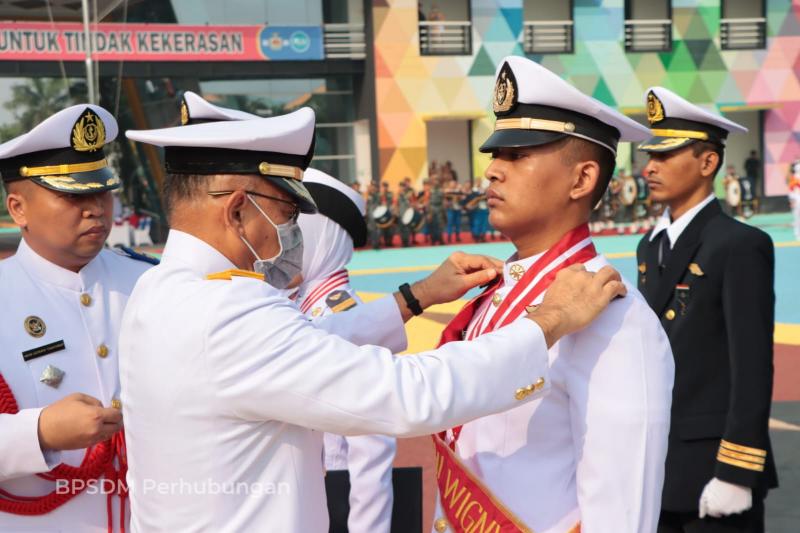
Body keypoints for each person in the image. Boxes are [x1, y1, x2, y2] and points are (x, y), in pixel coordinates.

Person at [121, 105, 627, 532]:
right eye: (286, 212)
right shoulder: (230, 311)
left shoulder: (156, 290)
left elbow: (310, 346)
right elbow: (405, 395)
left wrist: (415, 297)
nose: (291, 232)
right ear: (237, 211)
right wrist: (547, 322)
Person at [430, 56, 674, 533]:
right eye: (496, 155)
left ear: (581, 179)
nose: (492, 172)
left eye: (517, 156)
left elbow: (620, 507)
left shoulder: (613, 315)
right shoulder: (496, 294)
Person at [0, 105, 153, 531]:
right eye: (73, 195)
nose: (96, 210)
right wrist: (39, 433)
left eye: (102, 191)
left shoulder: (154, 284)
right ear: (19, 209)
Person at [636, 87, 778, 532]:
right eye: (649, 156)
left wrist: (736, 471)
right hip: (659, 464)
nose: (649, 168)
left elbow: (752, 366)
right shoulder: (650, 245)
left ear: (707, 162)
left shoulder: (738, 245)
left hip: (713, 468)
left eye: (666, 155)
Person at [296, 168, 396, 533]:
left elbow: (372, 453)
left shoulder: (349, 317)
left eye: (295, 232)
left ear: (321, 238)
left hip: (337, 501)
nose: (282, 242)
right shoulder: (294, 307)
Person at [444, 177, 463, 243]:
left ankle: (457, 236)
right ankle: (449, 237)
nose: (453, 185)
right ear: (449, 185)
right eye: (451, 184)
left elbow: (463, 199)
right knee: (450, 223)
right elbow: (445, 201)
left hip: (457, 209)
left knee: (458, 223)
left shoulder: (458, 191)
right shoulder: (447, 191)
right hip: (450, 209)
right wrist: (449, 203)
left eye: (454, 184)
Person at [788, 157, 800, 240]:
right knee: (797, 217)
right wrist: (792, 201)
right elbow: (791, 191)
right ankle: (797, 234)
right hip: (797, 199)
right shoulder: (794, 178)